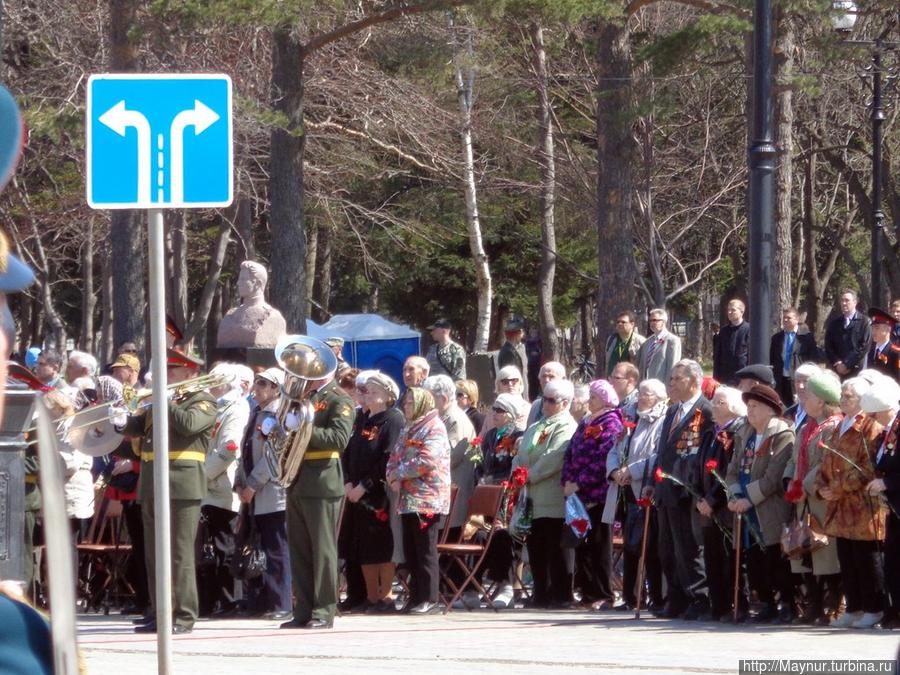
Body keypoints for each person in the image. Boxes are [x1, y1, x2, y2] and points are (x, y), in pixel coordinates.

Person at [122, 348, 218, 635]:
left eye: (172, 372)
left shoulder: (204, 401)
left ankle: (184, 614)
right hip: (152, 482)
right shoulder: (162, 401)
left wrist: (163, 401)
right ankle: (159, 611)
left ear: (190, 373)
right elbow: (140, 429)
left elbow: (188, 426)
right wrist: (121, 420)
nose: (166, 377)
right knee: (154, 553)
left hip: (181, 483)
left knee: (178, 552)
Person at [281, 352, 355, 630]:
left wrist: (302, 429)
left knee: (322, 549)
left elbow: (338, 439)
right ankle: (303, 610)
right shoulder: (303, 399)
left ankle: (324, 610)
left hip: (323, 479)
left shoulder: (340, 399)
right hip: (298, 479)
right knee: (299, 549)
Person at [816, 377, 886, 628]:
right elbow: (826, 459)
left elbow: (868, 467)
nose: (843, 399)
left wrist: (838, 488)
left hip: (861, 504)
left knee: (865, 557)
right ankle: (854, 607)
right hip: (839, 505)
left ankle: (873, 607)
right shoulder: (839, 424)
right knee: (846, 556)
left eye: (849, 396)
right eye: (842, 395)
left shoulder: (870, 426)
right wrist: (822, 486)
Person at [648, 359, 713, 620]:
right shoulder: (672, 411)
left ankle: (699, 597)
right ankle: (676, 597)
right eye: (671, 378)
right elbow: (662, 452)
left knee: (689, 546)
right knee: (667, 547)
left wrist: (691, 484)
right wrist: (653, 483)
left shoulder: (705, 411)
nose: (671, 383)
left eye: (677, 378)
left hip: (687, 491)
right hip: (666, 490)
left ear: (694, 381)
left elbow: (702, 454)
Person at [725, 383, 795, 624]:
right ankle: (765, 603)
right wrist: (734, 496)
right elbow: (732, 470)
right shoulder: (744, 433)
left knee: (776, 558)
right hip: (745, 508)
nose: (750, 411)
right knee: (753, 559)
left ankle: (787, 603)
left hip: (769, 507)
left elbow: (773, 477)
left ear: (770, 409)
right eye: (748, 406)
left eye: (755, 406)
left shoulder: (782, 435)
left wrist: (748, 499)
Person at [340, 372, 405, 614]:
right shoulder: (362, 419)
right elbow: (348, 452)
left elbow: (387, 458)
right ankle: (371, 596)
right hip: (355, 492)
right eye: (367, 390)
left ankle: (386, 596)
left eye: (374, 391)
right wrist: (348, 482)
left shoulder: (393, 419)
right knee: (363, 545)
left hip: (379, 491)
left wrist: (364, 486)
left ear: (388, 396)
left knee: (382, 545)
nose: (368, 394)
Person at [783, 370, 843, 625]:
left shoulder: (833, 427)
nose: (803, 398)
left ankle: (832, 604)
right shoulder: (806, 426)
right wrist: (789, 481)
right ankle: (813, 604)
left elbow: (826, 462)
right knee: (804, 552)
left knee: (826, 554)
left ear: (821, 400)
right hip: (802, 500)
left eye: (809, 395)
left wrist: (804, 485)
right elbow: (794, 458)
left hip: (820, 498)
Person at [513, 379, 578, 608]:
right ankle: (540, 592)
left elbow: (555, 456)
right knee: (536, 545)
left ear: (565, 403)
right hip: (532, 497)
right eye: (544, 398)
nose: (545, 404)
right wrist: (517, 472)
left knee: (555, 547)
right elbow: (520, 452)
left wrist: (530, 474)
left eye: (551, 401)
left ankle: (560, 594)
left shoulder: (566, 425)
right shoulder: (537, 425)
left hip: (552, 496)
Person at [603, 378, 667, 611]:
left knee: (648, 545)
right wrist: (613, 471)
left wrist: (631, 470)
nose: (641, 397)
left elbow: (657, 455)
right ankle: (630, 596)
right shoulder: (630, 416)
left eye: (647, 394)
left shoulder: (662, 420)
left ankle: (656, 597)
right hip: (623, 488)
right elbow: (615, 447)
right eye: (640, 393)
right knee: (630, 543)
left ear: (659, 398)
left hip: (644, 487)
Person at [387, 387, 451, 615]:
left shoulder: (434, 427)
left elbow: (428, 460)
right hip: (406, 499)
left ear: (423, 403)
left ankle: (430, 598)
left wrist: (399, 473)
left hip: (427, 499)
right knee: (411, 550)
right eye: (406, 402)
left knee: (425, 550)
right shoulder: (408, 428)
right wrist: (391, 475)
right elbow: (394, 455)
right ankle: (415, 597)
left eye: (411, 403)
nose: (406, 406)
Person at [235, 367, 292, 620]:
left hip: (272, 494)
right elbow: (245, 450)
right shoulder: (256, 413)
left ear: (276, 389)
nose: (256, 388)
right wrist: (239, 481)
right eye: (256, 383)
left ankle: (281, 602)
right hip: (252, 493)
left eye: (263, 384)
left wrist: (253, 484)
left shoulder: (279, 414)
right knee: (255, 547)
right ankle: (259, 601)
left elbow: (274, 454)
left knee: (276, 550)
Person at [562, 380, 623, 610]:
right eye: (590, 397)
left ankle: (603, 593)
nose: (590, 401)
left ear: (606, 399)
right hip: (577, 496)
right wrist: (567, 481)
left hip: (597, 493)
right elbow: (570, 451)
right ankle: (587, 593)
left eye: (595, 397)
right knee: (582, 543)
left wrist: (579, 483)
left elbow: (603, 458)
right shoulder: (586, 421)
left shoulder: (611, 423)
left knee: (599, 543)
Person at [198, 363, 249, 617]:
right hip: (207, 487)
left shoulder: (235, 407)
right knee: (210, 548)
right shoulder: (215, 405)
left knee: (224, 546)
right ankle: (210, 600)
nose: (209, 385)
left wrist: (202, 474)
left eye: (214, 381)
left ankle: (229, 600)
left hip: (220, 486)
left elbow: (229, 449)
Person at [695, 386, 747, 621]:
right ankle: (717, 606)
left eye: (720, 403)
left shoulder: (737, 432)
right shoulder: (710, 433)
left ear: (735, 407)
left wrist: (713, 499)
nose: (714, 406)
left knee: (729, 557)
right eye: (714, 402)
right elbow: (699, 466)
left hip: (725, 506)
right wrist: (698, 494)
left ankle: (734, 605)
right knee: (712, 556)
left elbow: (728, 471)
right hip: (706, 505)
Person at [865, 378, 900, 629]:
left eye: (875, 412)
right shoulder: (891, 427)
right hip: (893, 507)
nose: (873, 418)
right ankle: (893, 612)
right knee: (893, 562)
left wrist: (889, 484)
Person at [43, 389, 93, 542]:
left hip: (72, 492)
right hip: (61, 491)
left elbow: (70, 464)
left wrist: (43, 464)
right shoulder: (57, 426)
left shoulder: (72, 426)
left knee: (67, 545)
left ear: (58, 407)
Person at [771, 307, 821, 404]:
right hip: (780, 378)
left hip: (798, 378)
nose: (785, 320)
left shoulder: (806, 337)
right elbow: (772, 358)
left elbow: (813, 358)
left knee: (797, 405)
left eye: (789, 318)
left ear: (797, 319)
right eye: (784, 318)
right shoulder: (776, 338)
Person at [824, 289, 872, 379]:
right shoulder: (834, 323)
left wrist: (847, 364)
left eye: (847, 300)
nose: (844, 303)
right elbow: (828, 346)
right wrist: (837, 362)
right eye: (842, 300)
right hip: (837, 371)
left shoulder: (864, 322)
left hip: (857, 371)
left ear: (855, 302)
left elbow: (864, 346)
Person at [637, 309, 682, 382]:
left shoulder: (672, 341)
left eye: (655, 320)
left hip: (662, 387)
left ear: (664, 322)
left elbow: (673, 367)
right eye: (650, 321)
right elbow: (642, 366)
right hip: (645, 386)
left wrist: (669, 388)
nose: (652, 323)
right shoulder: (647, 342)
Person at [713, 299, 750, 385]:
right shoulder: (724, 331)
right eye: (728, 310)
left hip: (742, 377)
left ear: (742, 311)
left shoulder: (749, 330)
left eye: (733, 310)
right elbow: (718, 356)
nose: (729, 312)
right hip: (724, 378)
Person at [605, 310, 646, 375]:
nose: (619, 324)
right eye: (618, 322)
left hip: (631, 381)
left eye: (623, 322)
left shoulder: (641, 341)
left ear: (632, 324)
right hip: (613, 380)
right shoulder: (611, 339)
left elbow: (644, 365)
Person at [497, 318, 529, 400]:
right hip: (513, 392)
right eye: (521, 332)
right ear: (516, 334)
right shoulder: (508, 352)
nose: (523, 334)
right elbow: (510, 376)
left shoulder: (517, 348)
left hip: (520, 389)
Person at [526, 361, 566, 426]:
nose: (546, 380)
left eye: (551, 376)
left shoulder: (567, 405)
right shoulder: (535, 405)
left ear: (563, 379)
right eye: (544, 376)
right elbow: (527, 431)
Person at [866, 308, 900, 381]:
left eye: (877, 328)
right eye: (872, 328)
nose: (874, 331)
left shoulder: (895, 353)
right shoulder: (871, 351)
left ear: (888, 329)